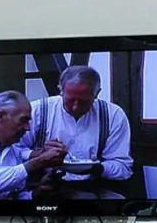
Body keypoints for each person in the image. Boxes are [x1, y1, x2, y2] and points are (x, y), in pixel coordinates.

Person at [27, 64, 132, 199]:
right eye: (70, 100)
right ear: (61, 90)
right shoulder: (38, 111)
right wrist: (40, 154)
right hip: (44, 185)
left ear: (97, 93)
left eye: (83, 101)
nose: (75, 107)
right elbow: (14, 152)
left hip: (95, 185)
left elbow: (123, 167)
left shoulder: (112, 115)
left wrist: (97, 168)